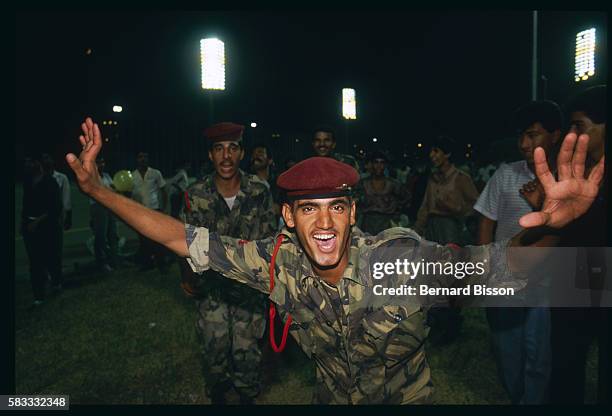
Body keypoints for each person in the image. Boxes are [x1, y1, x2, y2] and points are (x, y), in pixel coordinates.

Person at [67, 116, 604, 404]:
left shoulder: (399, 263)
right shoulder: (276, 263)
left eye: (334, 209)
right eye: (307, 211)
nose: (323, 224)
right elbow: (183, 238)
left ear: (352, 214)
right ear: (286, 218)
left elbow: (505, 273)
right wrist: (98, 192)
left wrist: (560, 228)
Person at [522, 85, 609, 404]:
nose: (571, 134)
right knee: (566, 360)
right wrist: (543, 209)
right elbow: (565, 227)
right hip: (577, 275)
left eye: (579, 126)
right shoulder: (574, 172)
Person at [179, 122, 277, 404]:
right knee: (214, 348)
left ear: (242, 153)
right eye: (219, 149)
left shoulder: (260, 190)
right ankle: (219, 394)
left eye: (232, 148)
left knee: (247, 353)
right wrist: (186, 277)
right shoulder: (195, 194)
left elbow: (270, 240)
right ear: (210, 155)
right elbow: (182, 240)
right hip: (212, 288)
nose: (226, 156)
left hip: (249, 288)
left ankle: (247, 395)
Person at [474, 100, 563, 404]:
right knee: (507, 348)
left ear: (555, 135)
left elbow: (560, 232)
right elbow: (486, 220)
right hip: (504, 278)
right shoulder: (506, 174)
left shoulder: (566, 181)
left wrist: (542, 206)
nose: (524, 144)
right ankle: (516, 398)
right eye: (521, 136)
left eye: (533, 135)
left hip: (545, 282)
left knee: (539, 351)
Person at [414, 135, 480, 344]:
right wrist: (417, 231)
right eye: (431, 151)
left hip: (452, 230)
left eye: (436, 151)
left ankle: (452, 323)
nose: (432, 156)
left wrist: (456, 209)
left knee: (451, 280)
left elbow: (476, 206)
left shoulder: (461, 178)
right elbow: (425, 206)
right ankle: (436, 323)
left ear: (447, 154)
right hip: (433, 231)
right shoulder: (432, 178)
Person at [21, 155, 62, 305]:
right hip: (30, 228)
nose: (28, 165)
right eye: (27, 163)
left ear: (38, 164)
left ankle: (56, 282)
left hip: (48, 227)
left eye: (31, 162)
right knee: (35, 262)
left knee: (51, 257)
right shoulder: (28, 182)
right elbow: (25, 206)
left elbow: (55, 208)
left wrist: (37, 222)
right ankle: (38, 295)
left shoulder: (49, 182)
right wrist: (24, 224)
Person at [131, 151, 168, 271]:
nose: (143, 159)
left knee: (158, 237)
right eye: (140, 157)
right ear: (137, 159)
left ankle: (161, 263)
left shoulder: (155, 173)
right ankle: (147, 263)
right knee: (143, 238)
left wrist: (163, 208)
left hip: (155, 209)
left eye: (145, 157)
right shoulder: (132, 176)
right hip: (140, 212)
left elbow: (163, 190)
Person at [359, 151, 410, 235]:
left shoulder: (393, 184)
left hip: (387, 223)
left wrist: (397, 210)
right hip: (367, 223)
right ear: (371, 164)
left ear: (385, 165)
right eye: (376, 162)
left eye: (382, 163)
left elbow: (407, 197)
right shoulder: (363, 183)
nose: (379, 166)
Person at [41, 153, 71, 290]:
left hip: (56, 219)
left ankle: (57, 278)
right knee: (44, 249)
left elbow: (66, 199)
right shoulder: (38, 178)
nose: (47, 160)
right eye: (44, 158)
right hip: (42, 219)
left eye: (49, 158)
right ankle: (47, 275)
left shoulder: (61, 178)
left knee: (56, 250)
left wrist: (67, 218)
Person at [89, 156, 119, 272]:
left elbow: (113, 189)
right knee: (100, 236)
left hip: (110, 206)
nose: (101, 165)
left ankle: (114, 260)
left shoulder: (106, 176)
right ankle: (102, 262)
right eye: (98, 162)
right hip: (98, 207)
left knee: (112, 233)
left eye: (102, 162)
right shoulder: (91, 176)